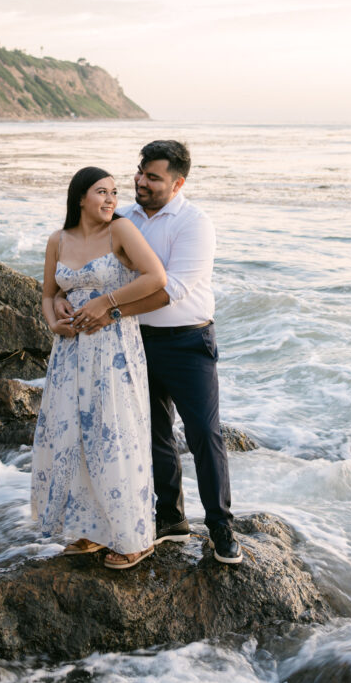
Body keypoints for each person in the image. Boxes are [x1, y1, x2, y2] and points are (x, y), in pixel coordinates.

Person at [66, 141, 242, 565]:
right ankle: (170, 519)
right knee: (152, 433)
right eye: (141, 172)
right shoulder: (121, 217)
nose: (141, 182)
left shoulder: (194, 223)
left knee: (204, 432)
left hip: (187, 342)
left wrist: (109, 309)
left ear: (178, 182)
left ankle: (220, 524)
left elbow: (173, 289)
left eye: (153, 177)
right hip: (133, 341)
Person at [31, 166, 167, 570]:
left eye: (113, 192)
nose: (110, 200)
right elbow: (48, 295)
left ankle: (135, 537)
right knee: (73, 435)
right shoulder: (58, 240)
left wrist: (106, 303)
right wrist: (54, 319)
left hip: (113, 349)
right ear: (79, 198)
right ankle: (90, 530)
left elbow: (156, 278)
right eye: (101, 192)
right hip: (70, 353)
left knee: (115, 435)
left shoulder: (121, 232)